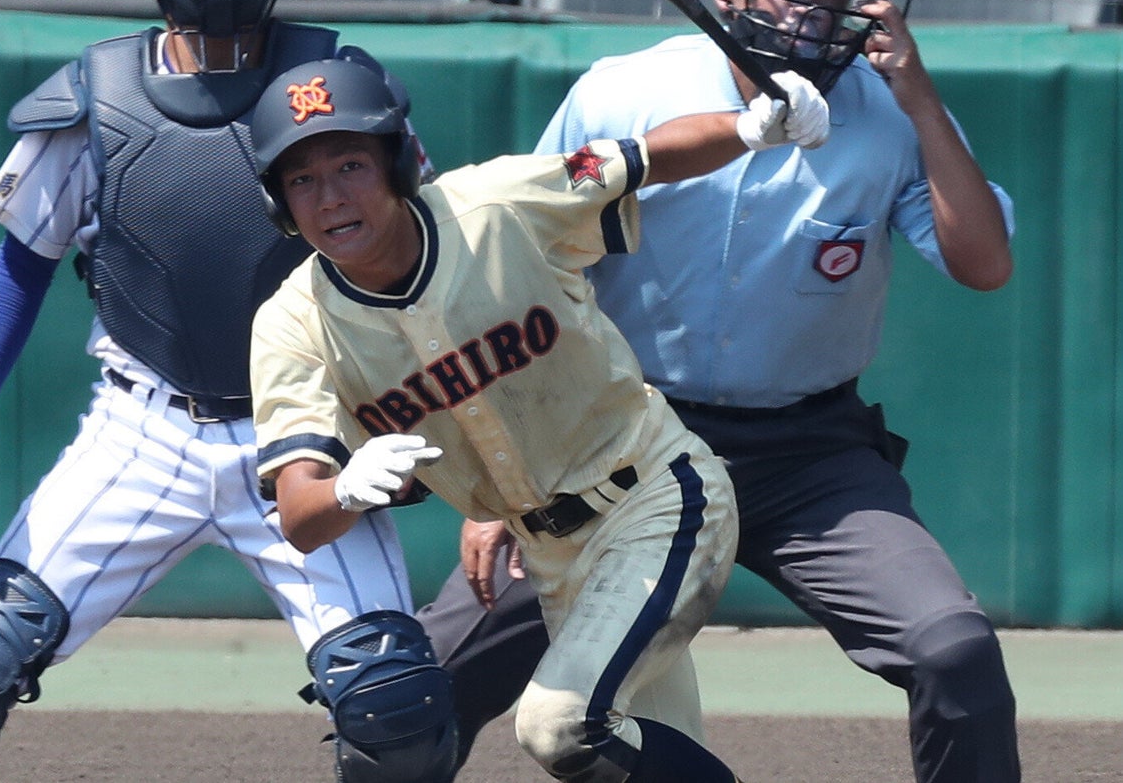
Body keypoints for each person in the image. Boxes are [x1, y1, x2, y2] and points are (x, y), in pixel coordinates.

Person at [0, 0, 458, 783]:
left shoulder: (343, 87)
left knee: (393, 706)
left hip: (304, 434)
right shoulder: (94, 96)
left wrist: (438, 419)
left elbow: (423, 269)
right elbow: (20, 270)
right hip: (143, 429)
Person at [414, 0, 1020, 781]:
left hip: (805, 455)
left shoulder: (893, 116)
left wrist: (921, 96)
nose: (809, 4)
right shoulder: (622, 93)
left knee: (954, 650)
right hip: (612, 440)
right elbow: (519, 274)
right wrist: (499, 474)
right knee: (412, 690)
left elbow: (985, 264)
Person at [248, 55, 831, 782]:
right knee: (636, 753)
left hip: (654, 497)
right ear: (278, 202)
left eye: (351, 165)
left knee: (561, 727)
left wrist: (748, 128)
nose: (330, 197)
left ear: (397, 166)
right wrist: (343, 490)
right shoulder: (291, 325)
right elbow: (300, 516)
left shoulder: (497, 205)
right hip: (548, 555)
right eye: (301, 180)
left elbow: (642, 156)